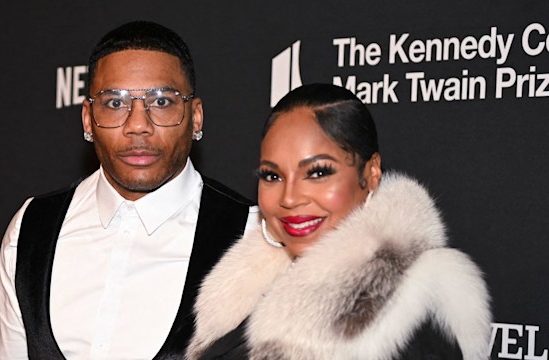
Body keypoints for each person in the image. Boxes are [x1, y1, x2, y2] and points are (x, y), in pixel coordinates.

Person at [0, 20, 258, 359]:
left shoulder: (252, 236)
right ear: (88, 118)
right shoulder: (32, 228)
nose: (138, 125)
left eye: (161, 102)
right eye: (114, 103)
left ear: (196, 116)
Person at [186, 84, 492, 359]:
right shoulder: (247, 287)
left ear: (370, 174)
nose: (290, 198)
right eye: (272, 175)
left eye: (318, 172)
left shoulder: (410, 308)